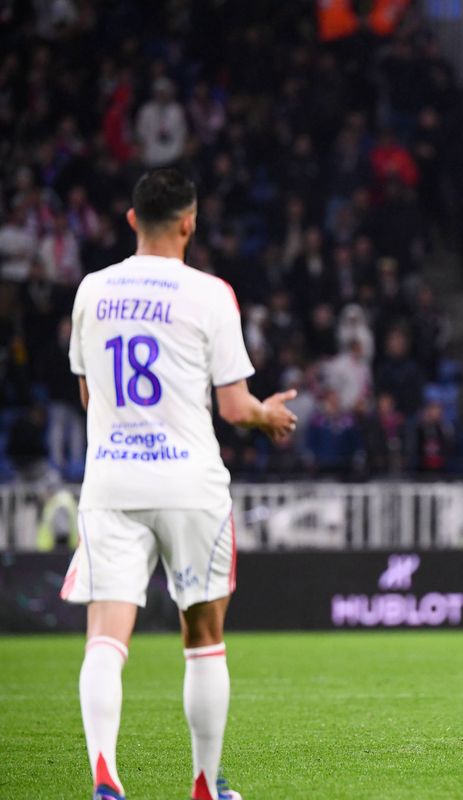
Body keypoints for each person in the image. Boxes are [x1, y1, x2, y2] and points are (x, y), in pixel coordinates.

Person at [61, 170, 297, 800]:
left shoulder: (92, 289)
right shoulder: (210, 293)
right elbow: (236, 407)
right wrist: (269, 414)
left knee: (107, 636)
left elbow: (87, 394)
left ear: (133, 220)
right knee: (203, 637)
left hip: (112, 479)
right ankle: (202, 784)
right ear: (189, 223)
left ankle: (105, 778)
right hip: (190, 481)